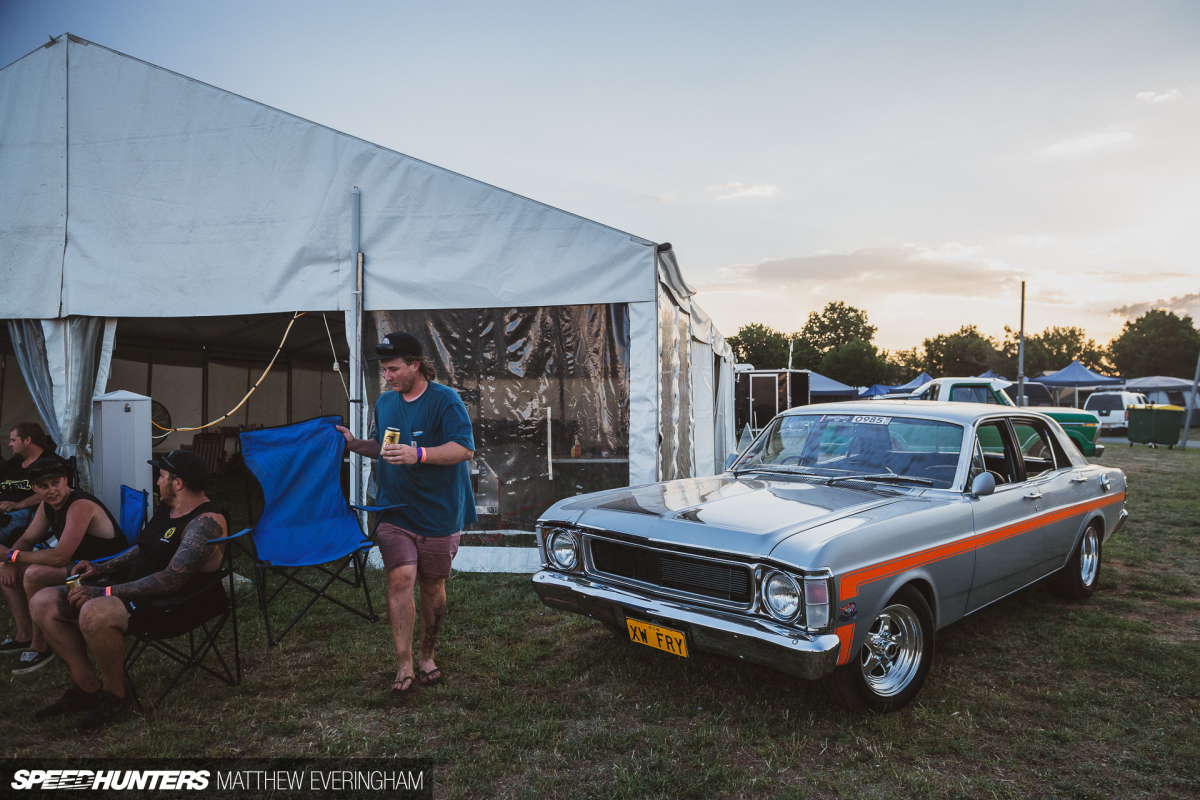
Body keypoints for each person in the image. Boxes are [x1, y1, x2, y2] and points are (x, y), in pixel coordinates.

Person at [28, 450, 228, 733]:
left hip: (173, 605)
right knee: (42, 602)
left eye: (162, 476)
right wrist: (102, 568)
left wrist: (106, 593)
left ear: (178, 483)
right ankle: (86, 688)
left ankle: (115, 696)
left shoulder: (205, 522)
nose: (157, 481)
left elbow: (170, 580)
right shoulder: (169, 507)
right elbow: (143, 547)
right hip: (135, 591)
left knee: (93, 612)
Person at [336, 331, 476, 697]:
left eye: (394, 369)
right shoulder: (385, 403)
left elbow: (464, 449)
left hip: (439, 511)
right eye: (383, 370)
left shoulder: (445, 400)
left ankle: (427, 654)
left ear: (416, 365)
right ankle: (404, 662)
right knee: (400, 578)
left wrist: (420, 454)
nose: (387, 376)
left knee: (431, 586)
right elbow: (385, 447)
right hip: (394, 508)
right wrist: (353, 444)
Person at [2, 458, 125, 673]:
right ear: (34, 490)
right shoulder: (46, 505)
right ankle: (25, 634)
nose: (51, 490)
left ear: (65, 481)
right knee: (4, 568)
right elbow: (28, 539)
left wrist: (12, 555)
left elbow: (60, 556)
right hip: (77, 564)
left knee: (34, 573)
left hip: (102, 570)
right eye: (43, 486)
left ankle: (40, 644)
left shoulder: (80, 505)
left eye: (55, 483)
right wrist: (9, 560)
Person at [0, 422, 63, 548]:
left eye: (13, 440)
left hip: (31, 514)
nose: (10, 444)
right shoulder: (13, 463)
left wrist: (17, 505)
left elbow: (54, 492)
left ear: (27, 440)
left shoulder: (51, 463)